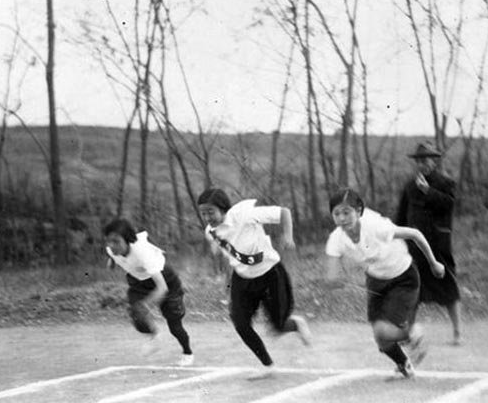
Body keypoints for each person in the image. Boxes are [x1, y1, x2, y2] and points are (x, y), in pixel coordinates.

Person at [325, 188, 445, 379]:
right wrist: (334, 280)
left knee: (385, 330)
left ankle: (413, 333)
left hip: (403, 276)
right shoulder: (336, 239)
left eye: (346, 212)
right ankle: (404, 364)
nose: (342, 218)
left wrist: (433, 263)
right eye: (336, 213)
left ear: (359, 211)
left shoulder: (375, 226)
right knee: (381, 338)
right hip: (376, 280)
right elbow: (332, 274)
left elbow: (414, 234)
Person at [197, 187, 311, 379]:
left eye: (210, 211)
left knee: (278, 326)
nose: (207, 217)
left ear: (223, 208)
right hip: (242, 279)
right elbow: (221, 249)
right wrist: (219, 260)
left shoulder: (244, 214)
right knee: (240, 324)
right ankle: (268, 366)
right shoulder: (211, 231)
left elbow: (284, 213)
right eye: (203, 213)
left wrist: (288, 236)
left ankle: (296, 324)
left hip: (270, 274)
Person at [395, 141, 462, 345]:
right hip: (414, 247)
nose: (422, 164)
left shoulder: (445, 183)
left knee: (448, 289)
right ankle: (407, 332)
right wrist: (396, 237)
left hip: (438, 245)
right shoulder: (409, 185)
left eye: (425, 160)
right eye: (419, 161)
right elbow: (401, 215)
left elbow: (449, 205)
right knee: (412, 289)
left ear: (434, 161)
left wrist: (428, 191)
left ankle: (458, 332)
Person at [103, 218, 194, 366]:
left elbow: (162, 288)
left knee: (175, 325)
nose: (111, 246)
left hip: (165, 281)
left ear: (128, 241)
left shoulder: (142, 253)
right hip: (139, 282)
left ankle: (187, 352)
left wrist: (147, 304)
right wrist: (112, 260)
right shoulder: (112, 250)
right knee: (136, 313)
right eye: (108, 241)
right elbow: (112, 253)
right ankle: (155, 336)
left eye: (116, 241)